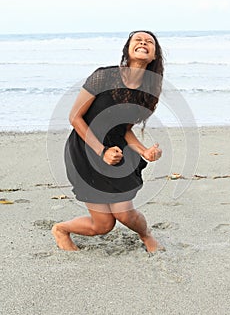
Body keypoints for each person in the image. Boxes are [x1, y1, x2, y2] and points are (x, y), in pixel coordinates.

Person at [52, 30, 165, 252]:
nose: (143, 43)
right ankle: (61, 229)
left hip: (117, 152)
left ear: (153, 56)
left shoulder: (149, 93)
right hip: (85, 150)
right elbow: (75, 117)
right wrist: (101, 151)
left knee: (125, 213)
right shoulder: (103, 76)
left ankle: (146, 234)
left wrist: (144, 151)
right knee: (103, 225)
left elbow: (124, 129)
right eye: (138, 40)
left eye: (149, 42)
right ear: (127, 49)